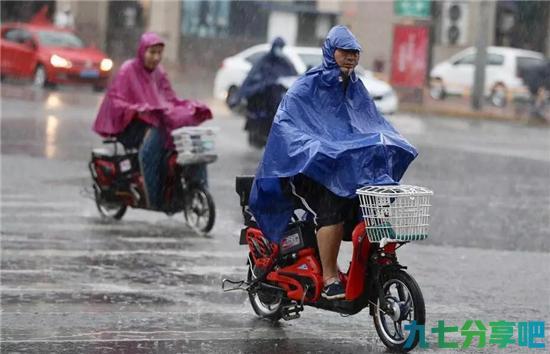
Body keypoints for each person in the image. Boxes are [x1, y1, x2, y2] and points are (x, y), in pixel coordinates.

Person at [249, 26, 417, 300]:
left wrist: (391, 140)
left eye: (355, 53)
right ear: (330, 51)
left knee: (374, 203)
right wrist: (313, 147)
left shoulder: (356, 87)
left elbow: (370, 122)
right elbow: (286, 126)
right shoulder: (307, 85)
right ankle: (329, 278)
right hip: (306, 168)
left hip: (342, 168)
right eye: (345, 52)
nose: (350, 57)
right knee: (332, 208)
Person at [93, 32, 212, 209]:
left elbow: (169, 98)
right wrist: (139, 110)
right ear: (142, 51)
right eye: (152, 52)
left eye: (159, 53)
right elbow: (117, 101)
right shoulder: (128, 70)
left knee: (190, 148)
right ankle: (154, 199)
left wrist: (185, 107)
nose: (156, 58)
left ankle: (193, 189)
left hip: (154, 122)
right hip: (130, 126)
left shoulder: (159, 73)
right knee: (149, 153)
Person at [230, 37, 297, 147]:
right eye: (277, 47)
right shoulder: (264, 61)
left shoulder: (284, 62)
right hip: (262, 97)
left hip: (277, 97)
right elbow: (250, 78)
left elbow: (293, 76)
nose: (279, 50)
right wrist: (239, 96)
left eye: (281, 47)